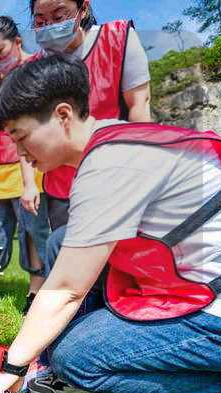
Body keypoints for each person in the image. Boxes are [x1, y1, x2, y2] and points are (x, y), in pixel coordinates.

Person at [0, 54, 221, 393]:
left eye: (21, 136)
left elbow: (64, 290)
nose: (19, 152)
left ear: (62, 115)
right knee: (61, 240)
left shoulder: (108, 168)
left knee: (76, 359)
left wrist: (14, 365)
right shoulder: (117, 137)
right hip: (219, 281)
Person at [29, 0, 152, 283]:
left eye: (59, 16)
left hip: (116, 179)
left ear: (83, 9)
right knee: (71, 264)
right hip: (63, 187)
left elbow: (140, 108)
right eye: (40, 20)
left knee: (119, 268)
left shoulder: (117, 39)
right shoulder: (36, 67)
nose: (49, 27)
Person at [0, 16, 50, 314]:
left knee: (32, 231)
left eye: (0, 51)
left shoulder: (38, 67)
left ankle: (36, 290)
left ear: (18, 42)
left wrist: (31, 180)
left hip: (30, 165)